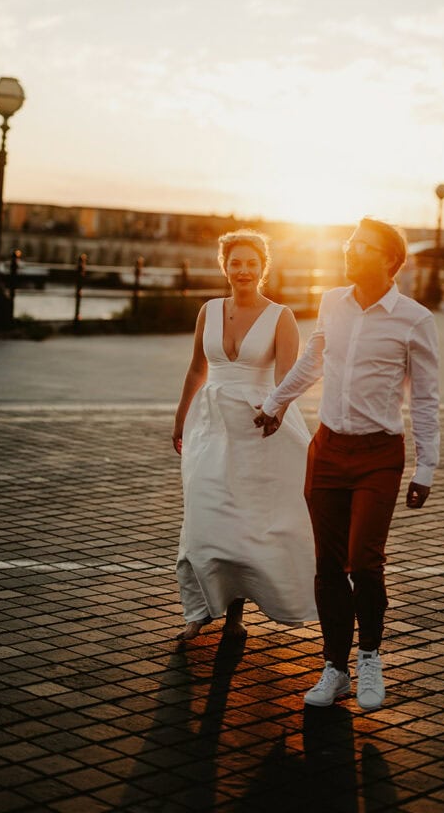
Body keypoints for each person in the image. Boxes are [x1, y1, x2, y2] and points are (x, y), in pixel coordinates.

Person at [254, 217, 439, 712]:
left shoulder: (415, 319)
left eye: (361, 245)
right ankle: (334, 668)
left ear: (388, 259)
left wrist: (427, 467)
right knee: (328, 564)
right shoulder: (332, 301)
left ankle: (370, 658)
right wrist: (274, 403)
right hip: (329, 451)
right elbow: (314, 359)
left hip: (379, 456)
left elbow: (424, 398)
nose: (349, 249)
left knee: (366, 562)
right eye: (349, 241)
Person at [172, 229, 316, 643]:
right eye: (236, 262)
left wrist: (278, 410)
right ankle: (198, 611)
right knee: (204, 514)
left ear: (263, 267)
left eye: (252, 263)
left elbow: (288, 377)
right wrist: (181, 417)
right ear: (225, 266)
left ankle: (235, 615)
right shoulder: (208, 311)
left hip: (258, 427)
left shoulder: (280, 316)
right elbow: (197, 369)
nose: (243, 270)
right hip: (210, 426)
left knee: (245, 521)